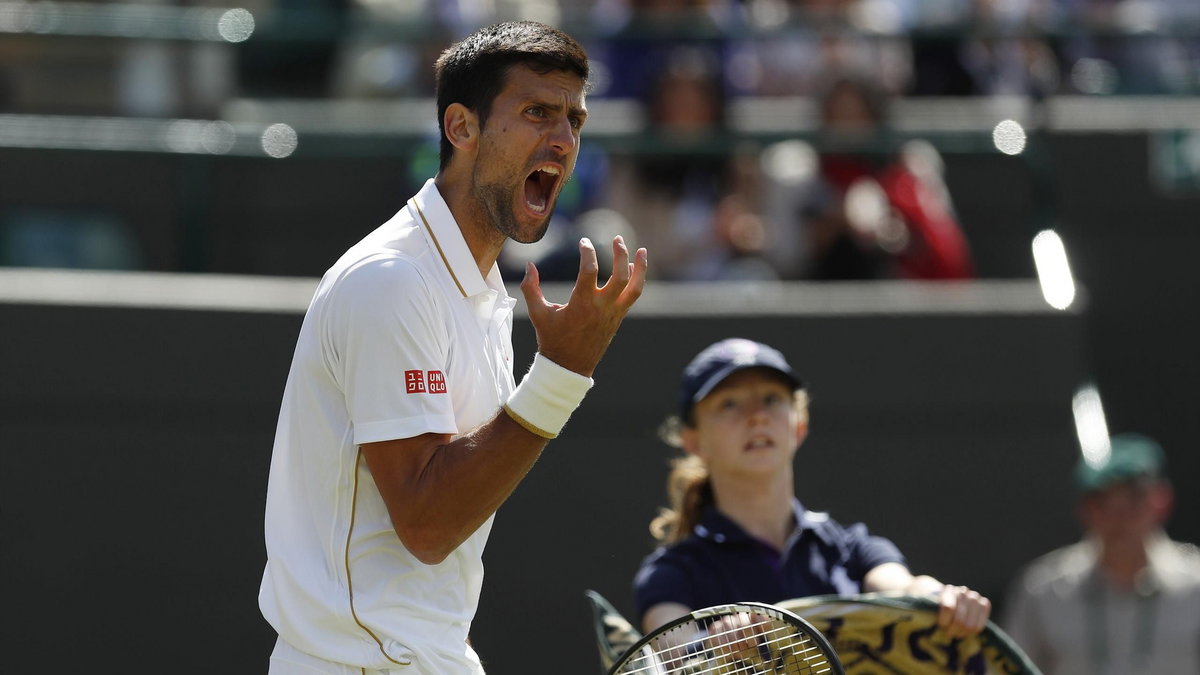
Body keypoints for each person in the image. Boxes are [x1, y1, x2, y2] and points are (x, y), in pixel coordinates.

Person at [258, 21, 648, 675]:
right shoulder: (392, 281)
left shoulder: (476, 289)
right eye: (537, 112)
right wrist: (562, 372)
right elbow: (428, 522)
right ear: (460, 128)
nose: (563, 139)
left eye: (574, 120)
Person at [633, 337, 991, 636]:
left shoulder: (854, 550)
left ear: (799, 427)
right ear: (694, 441)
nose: (757, 415)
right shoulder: (671, 573)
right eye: (730, 403)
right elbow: (673, 644)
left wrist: (940, 597)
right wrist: (714, 645)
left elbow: (906, 589)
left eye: (772, 399)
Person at [1001, 432, 1200, 675]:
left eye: (1133, 500)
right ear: (1083, 509)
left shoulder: (1196, 585)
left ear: (1162, 500)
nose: (1119, 517)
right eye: (1102, 502)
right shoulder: (1043, 589)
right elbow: (1007, 668)